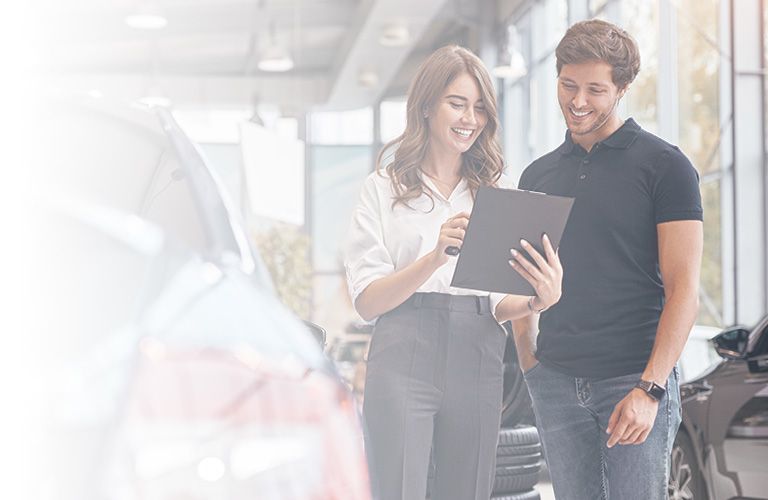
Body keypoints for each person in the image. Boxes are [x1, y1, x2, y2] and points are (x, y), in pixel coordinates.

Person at [344, 45, 563, 500]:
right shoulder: (382, 189)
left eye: (480, 107)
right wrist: (435, 257)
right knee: (397, 489)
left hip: (478, 353)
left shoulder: (495, 192)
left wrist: (537, 299)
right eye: (457, 103)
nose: (470, 118)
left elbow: (496, 302)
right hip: (402, 353)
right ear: (426, 106)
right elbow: (367, 301)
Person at [511, 19, 703, 500]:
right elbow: (519, 281)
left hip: (631, 382)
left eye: (595, 90)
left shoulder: (666, 167)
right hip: (555, 381)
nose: (577, 102)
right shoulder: (538, 175)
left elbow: (684, 291)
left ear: (622, 88)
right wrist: (531, 364)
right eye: (568, 85)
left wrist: (651, 390)